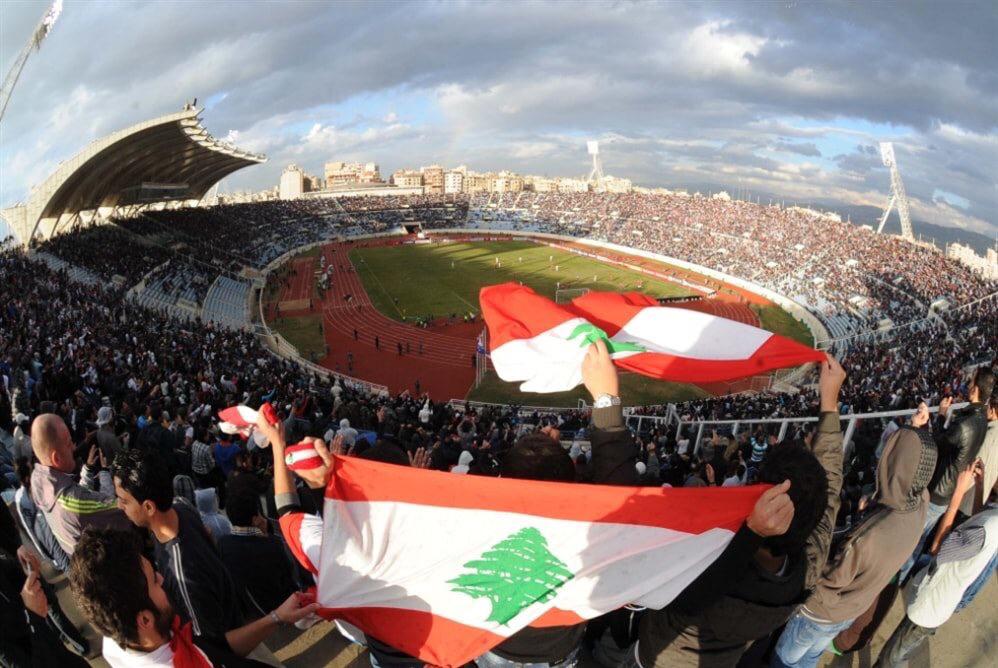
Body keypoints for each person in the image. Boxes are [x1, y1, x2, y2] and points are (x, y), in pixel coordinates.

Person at [585, 341, 844, 668]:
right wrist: (830, 404)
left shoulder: (702, 558)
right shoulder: (809, 566)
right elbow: (830, 489)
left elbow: (624, 518)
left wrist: (606, 401)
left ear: (757, 494)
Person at [772, 423, 938, 667]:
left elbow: (829, 581)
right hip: (853, 608)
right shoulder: (922, 501)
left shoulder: (868, 536)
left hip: (820, 613)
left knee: (785, 658)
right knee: (812, 655)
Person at [68, 528, 319, 668]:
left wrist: (276, 617)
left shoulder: (118, 637)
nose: (162, 578)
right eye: (154, 582)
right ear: (144, 620)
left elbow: (214, 647)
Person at [112, 449, 245, 639]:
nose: (119, 506)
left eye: (124, 500)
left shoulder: (183, 575)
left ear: (149, 507)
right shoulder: (181, 507)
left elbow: (215, 644)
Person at [874, 462, 997, 667]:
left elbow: (939, 549)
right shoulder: (993, 517)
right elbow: (978, 522)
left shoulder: (990, 526)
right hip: (940, 602)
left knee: (890, 658)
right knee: (901, 652)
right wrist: (980, 486)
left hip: (931, 605)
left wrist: (957, 494)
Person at [900, 366, 993, 581]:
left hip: (938, 492)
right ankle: (901, 578)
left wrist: (941, 416)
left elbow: (939, 444)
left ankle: (894, 581)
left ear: (976, 388)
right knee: (918, 540)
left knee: (910, 541)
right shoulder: (980, 419)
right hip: (945, 492)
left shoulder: (968, 423)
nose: (968, 384)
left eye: (971, 382)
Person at [29, 413, 130, 554]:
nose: (73, 447)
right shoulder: (75, 502)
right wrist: (105, 472)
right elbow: (126, 508)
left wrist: (87, 469)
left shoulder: (38, 481)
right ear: (56, 458)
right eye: (69, 443)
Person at [218, 487, 299, 615]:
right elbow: (289, 573)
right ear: (255, 519)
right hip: (281, 604)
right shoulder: (273, 544)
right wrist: (267, 535)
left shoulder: (223, 543)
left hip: (252, 609)